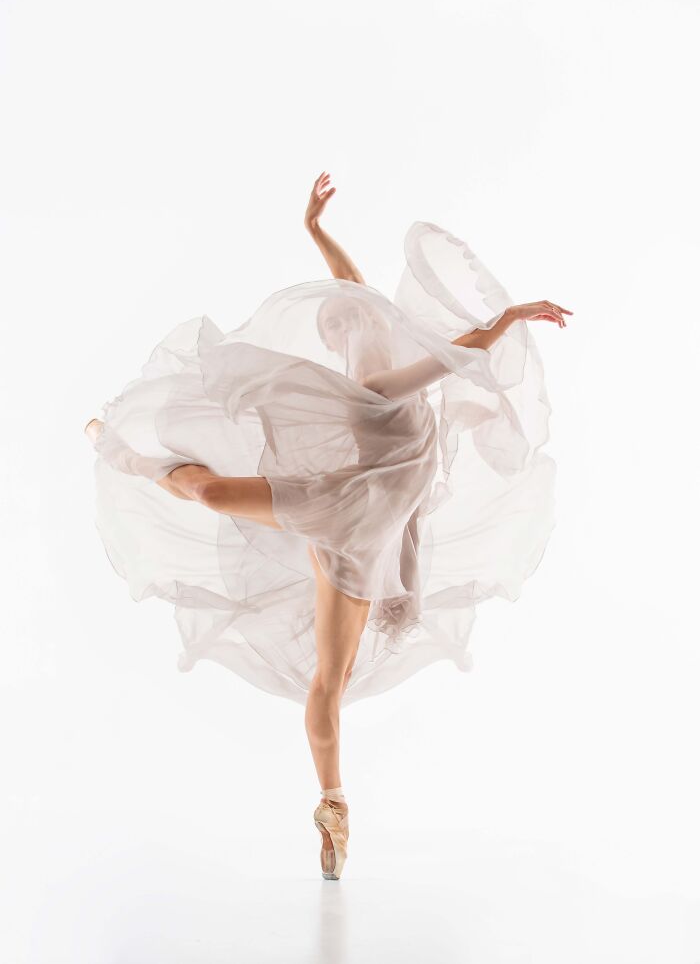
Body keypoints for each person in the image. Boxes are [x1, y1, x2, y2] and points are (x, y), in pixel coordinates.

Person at [84, 171, 572, 879]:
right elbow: (450, 350)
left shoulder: (377, 349)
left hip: (363, 527)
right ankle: (118, 445)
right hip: (333, 507)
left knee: (331, 679)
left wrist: (317, 232)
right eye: (342, 326)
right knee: (219, 497)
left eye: (350, 321)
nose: (352, 327)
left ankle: (332, 804)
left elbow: (363, 293)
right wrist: (502, 322)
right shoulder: (371, 381)